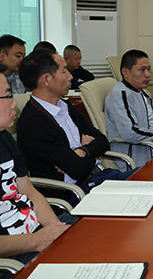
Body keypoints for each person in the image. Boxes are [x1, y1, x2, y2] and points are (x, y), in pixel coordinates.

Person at [16, 50, 135, 200]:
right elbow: (78, 170)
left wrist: (82, 151)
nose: (71, 76)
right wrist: (88, 150)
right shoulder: (34, 123)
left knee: (151, 179)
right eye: (64, 71)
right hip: (75, 193)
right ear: (46, 80)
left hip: (98, 178)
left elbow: (102, 141)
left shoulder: (65, 106)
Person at [0, 63, 75, 275]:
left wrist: (55, 228)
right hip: (14, 253)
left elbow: (29, 191)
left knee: (105, 236)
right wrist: (36, 241)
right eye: (7, 97)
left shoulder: (4, 138)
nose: (14, 104)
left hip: (37, 230)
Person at [105, 49, 153, 167]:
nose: (148, 74)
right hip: (141, 155)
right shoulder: (120, 96)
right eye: (142, 70)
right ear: (125, 72)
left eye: (148, 69)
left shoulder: (141, 91)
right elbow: (130, 133)